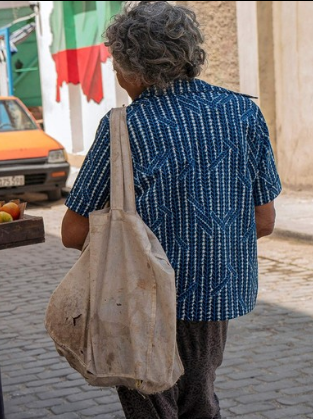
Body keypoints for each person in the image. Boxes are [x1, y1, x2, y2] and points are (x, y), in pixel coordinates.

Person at [60, 3, 282, 418]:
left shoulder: (123, 127)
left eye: (116, 64)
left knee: (151, 409)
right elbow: (263, 221)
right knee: (200, 402)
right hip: (213, 299)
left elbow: (73, 232)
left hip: (137, 301)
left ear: (135, 69)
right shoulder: (243, 112)